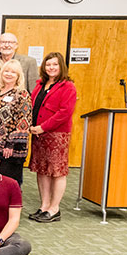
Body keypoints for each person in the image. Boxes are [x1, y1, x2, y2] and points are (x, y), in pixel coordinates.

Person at [29, 52, 77, 223]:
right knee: (42, 170)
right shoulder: (40, 84)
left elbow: (64, 113)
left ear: (61, 66)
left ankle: (54, 208)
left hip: (56, 135)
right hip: (38, 134)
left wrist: (43, 127)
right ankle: (44, 205)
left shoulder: (67, 86)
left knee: (56, 172)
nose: (51, 68)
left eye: (55, 64)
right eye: (48, 65)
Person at [0, 59, 32, 186]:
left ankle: (12, 206)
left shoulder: (22, 94)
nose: (9, 74)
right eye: (6, 71)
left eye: (13, 72)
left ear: (18, 76)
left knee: (9, 183)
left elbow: (24, 122)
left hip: (10, 149)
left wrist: (11, 144)